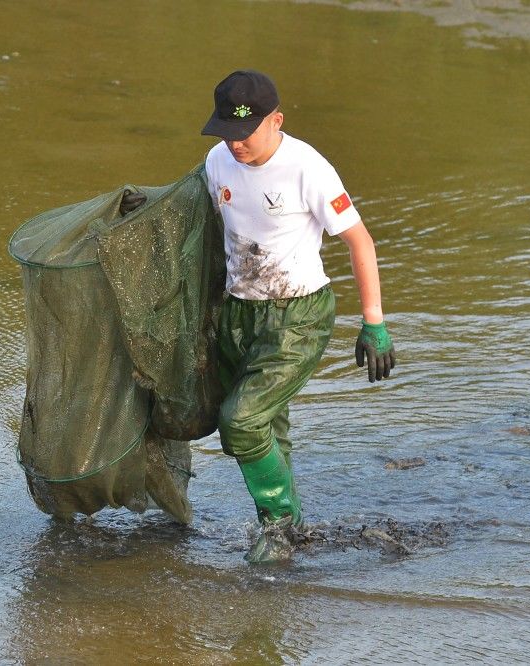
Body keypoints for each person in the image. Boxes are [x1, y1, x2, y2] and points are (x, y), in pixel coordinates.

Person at [200, 70, 396, 562]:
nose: (235, 144)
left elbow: (359, 240)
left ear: (276, 121)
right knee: (267, 426)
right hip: (240, 313)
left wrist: (373, 321)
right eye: (225, 131)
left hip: (298, 315)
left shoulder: (308, 168)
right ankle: (297, 532)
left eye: (244, 133)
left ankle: (278, 524)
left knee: (240, 420)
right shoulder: (217, 162)